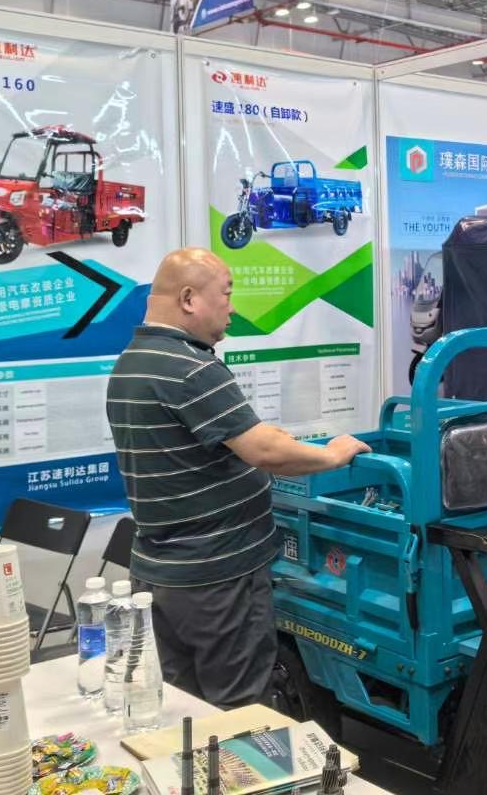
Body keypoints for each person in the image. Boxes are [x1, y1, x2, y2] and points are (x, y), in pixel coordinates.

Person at [107, 248, 370, 709]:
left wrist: (264, 437)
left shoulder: (133, 361)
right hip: (217, 579)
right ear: (189, 299)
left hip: (164, 574)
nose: (232, 308)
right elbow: (264, 452)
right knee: (238, 709)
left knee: (183, 706)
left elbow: (213, 440)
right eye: (226, 295)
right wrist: (333, 455)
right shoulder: (190, 367)